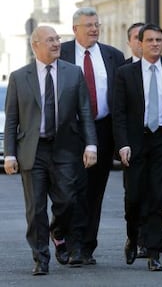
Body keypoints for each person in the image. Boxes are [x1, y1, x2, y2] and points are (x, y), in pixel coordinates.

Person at [3, 26, 97, 275]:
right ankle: (41, 258)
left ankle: (57, 231)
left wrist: (91, 145)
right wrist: (9, 154)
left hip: (65, 148)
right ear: (35, 45)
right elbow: (12, 119)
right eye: (50, 40)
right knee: (35, 209)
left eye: (57, 39)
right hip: (33, 151)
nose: (57, 43)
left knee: (67, 200)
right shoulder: (19, 77)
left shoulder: (73, 73)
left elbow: (85, 112)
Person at [113, 23, 162, 271]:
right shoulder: (126, 73)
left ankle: (154, 252)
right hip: (136, 141)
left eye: (159, 40)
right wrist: (122, 144)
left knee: (159, 195)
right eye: (150, 40)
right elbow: (119, 114)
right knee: (134, 196)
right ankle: (133, 237)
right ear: (140, 44)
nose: (155, 44)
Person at [59, 6, 125, 265]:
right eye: (89, 25)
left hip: (102, 131)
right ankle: (66, 237)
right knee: (70, 190)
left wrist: (122, 140)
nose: (94, 29)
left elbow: (120, 101)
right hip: (69, 131)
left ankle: (85, 246)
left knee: (94, 191)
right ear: (76, 29)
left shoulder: (113, 56)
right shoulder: (62, 52)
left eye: (96, 24)